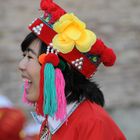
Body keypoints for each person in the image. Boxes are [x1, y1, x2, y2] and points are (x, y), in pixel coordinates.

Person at [18, 0, 126, 139]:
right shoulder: (53, 121)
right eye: (24, 56)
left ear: (57, 70)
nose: (21, 65)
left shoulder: (92, 123)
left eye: (30, 57)